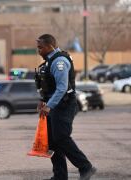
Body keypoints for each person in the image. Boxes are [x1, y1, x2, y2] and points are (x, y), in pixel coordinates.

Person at [35, 34, 96, 180]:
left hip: (64, 105)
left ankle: (86, 167)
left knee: (61, 137)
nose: (38, 51)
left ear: (50, 46)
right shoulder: (49, 62)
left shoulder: (59, 62)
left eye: (40, 47)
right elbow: (50, 86)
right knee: (52, 141)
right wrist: (43, 100)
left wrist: (49, 106)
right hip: (54, 105)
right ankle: (60, 176)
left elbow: (62, 88)